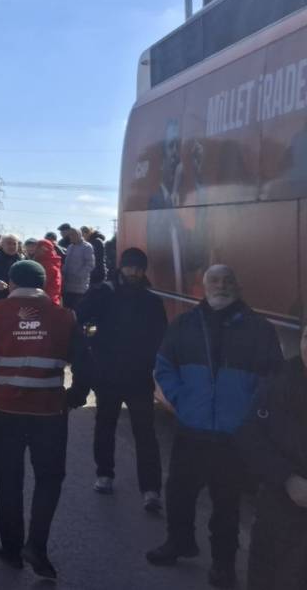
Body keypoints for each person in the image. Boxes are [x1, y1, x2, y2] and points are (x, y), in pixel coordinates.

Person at [147, 264, 283, 588]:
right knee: (179, 492)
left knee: (227, 503)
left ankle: (223, 563)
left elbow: (273, 379)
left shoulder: (258, 328)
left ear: (237, 285)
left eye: (227, 281)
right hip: (192, 428)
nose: (221, 286)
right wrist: (180, 400)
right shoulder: (186, 324)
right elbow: (164, 366)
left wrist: (251, 414)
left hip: (233, 434)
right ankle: (179, 542)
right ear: (204, 286)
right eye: (215, 281)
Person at [0, 259, 90, 582]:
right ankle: (36, 545)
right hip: (49, 410)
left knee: (9, 479)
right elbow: (84, 361)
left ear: (11, 282)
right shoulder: (65, 316)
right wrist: (74, 397)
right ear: (44, 283)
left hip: (4, 409)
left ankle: (11, 548)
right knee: (49, 478)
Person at [76, 247, 167, 508]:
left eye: (138, 268)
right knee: (105, 424)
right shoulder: (104, 293)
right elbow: (79, 318)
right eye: (129, 267)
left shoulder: (152, 300)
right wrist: (91, 345)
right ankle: (104, 473)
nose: (134, 272)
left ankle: (151, 489)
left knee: (145, 433)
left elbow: (162, 336)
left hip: (139, 376)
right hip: (107, 373)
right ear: (121, 267)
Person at [237, 322, 307, 590]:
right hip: (279, 507)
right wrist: (287, 478)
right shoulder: (279, 380)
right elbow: (249, 433)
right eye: (306, 337)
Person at [57, 223, 94, 309]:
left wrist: (79, 275)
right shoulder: (70, 247)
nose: (70, 237)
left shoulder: (87, 247)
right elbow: (66, 263)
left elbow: (90, 264)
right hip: (67, 285)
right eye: (69, 235)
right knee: (67, 309)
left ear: (79, 234)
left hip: (80, 286)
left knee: (77, 310)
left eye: (73, 235)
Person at [31, 238, 64, 305]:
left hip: (45, 301)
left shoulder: (47, 265)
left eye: (39, 248)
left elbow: (40, 284)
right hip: (52, 300)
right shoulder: (53, 262)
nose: (36, 250)